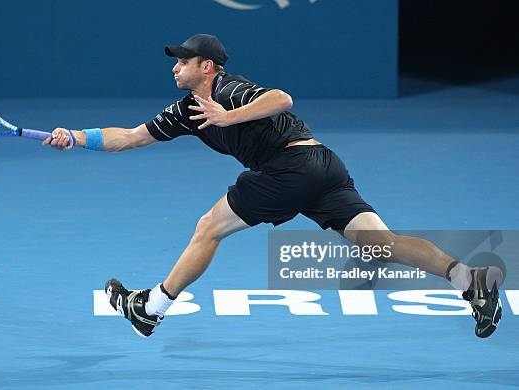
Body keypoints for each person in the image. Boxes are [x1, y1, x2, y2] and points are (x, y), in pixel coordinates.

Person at [44, 34, 502, 338]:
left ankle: (152, 307)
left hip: (292, 165)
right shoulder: (184, 110)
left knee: (209, 227)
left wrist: (228, 116)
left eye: (183, 61)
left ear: (207, 66)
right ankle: (470, 280)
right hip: (323, 168)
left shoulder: (229, 90)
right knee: (381, 244)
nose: (176, 67)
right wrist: (75, 137)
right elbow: (130, 137)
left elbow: (281, 98)